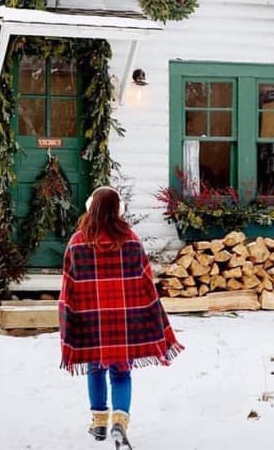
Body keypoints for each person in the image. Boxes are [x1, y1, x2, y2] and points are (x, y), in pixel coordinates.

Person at [59, 186, 183, 448]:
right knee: (121, 373)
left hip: (91, 320)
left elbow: (68, 286)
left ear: (91, 208)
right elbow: (145, 282)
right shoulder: (131, 240)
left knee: (95, 369)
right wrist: (150, 314)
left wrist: (70, 320)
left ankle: (99, 422)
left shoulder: (77, 242)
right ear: (118, 210)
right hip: (124, 322)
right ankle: (119, 422)